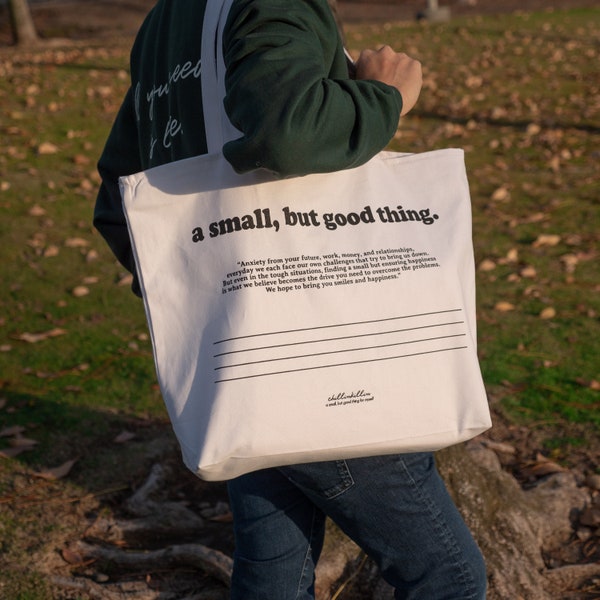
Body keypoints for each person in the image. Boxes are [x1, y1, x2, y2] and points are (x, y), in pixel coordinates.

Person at [94, 0, 487, 598]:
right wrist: (385, 96)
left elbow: (120, 200)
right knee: (448, 578)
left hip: (239, 365)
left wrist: (203, 294)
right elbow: (289, 129)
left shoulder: (166, 20)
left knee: (273, 575)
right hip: (325, 357)